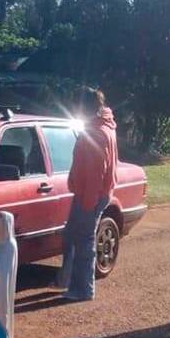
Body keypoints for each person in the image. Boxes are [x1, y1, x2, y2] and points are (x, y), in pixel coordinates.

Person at [54, 89, 117, 302]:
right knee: (72, 234)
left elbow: (97, 171)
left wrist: (88, 200)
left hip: (91, 193)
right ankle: (68, 280)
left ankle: (83, 289)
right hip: (90, 192)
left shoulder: (97, 132)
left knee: (83, 241)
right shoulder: (104, 126)